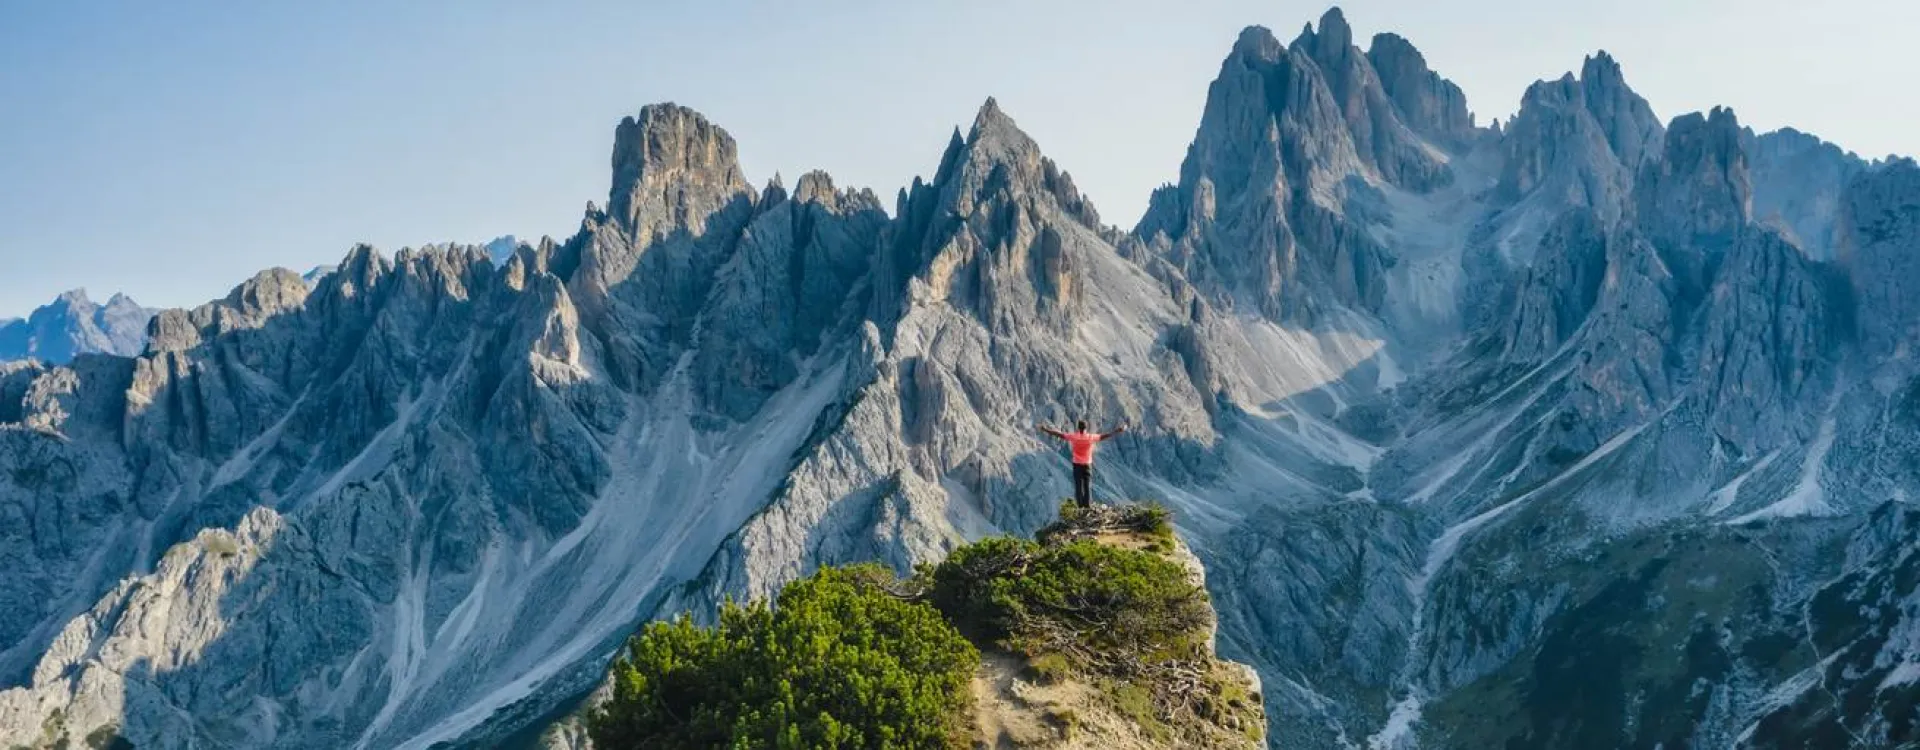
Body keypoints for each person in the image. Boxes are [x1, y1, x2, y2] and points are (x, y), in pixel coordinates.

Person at [1036, 419, 1128, 508]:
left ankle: (1080, 507)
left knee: (1078, 486)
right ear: (1086, 428)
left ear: (1078, 428)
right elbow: (1104, 436)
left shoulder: (1074, 437)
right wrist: (1117, 431)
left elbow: (1059, 434)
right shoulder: (1090, 437)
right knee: (1087, 485)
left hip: (1077, 465)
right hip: (1087, 465)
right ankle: (1087, 506)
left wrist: (1044, 429)